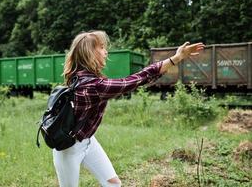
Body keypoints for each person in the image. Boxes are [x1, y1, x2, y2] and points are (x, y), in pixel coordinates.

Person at [51, 30, 205, 187]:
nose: (106, 52)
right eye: (102, 47)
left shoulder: (81, 76)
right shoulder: (93, 86)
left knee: (113, 184)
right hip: (68, 148)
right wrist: (176, 58)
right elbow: (136, 80)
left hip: (88, 141)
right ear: (90, 53)